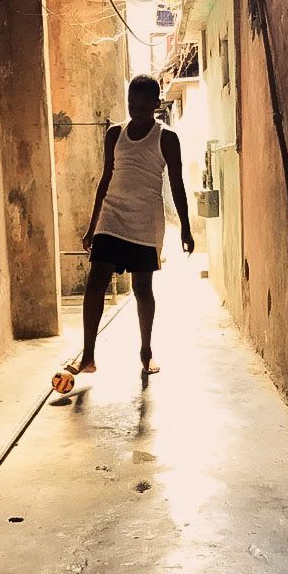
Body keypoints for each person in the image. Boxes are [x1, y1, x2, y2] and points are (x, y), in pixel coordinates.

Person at [67, 74, 194, 376]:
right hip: (112, 216)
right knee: (96, 280)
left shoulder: (166, 138)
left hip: (144, 221)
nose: (135, 109)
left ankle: (146, 351)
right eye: (131, 103)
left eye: (142, 104)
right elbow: (105, 179)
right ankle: (87, 356)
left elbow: (177, 185)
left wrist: (186, 228)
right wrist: (91, 226)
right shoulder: (114, 134)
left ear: (156, 103)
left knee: (142, 289)